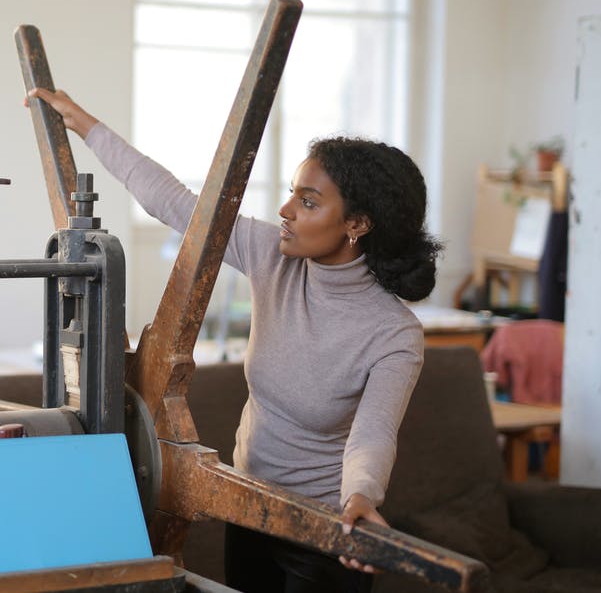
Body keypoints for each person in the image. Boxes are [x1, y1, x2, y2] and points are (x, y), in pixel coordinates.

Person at [27, 87, 443, 593]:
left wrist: (361, 498)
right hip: (248, 510)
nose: (286, 210)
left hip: (323, 533)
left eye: (308, 202)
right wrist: (87, 124)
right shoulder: (275, 256)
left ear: (357, 224)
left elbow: (373, 433)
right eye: (292, 192)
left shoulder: (393, 332)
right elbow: (175, 203)